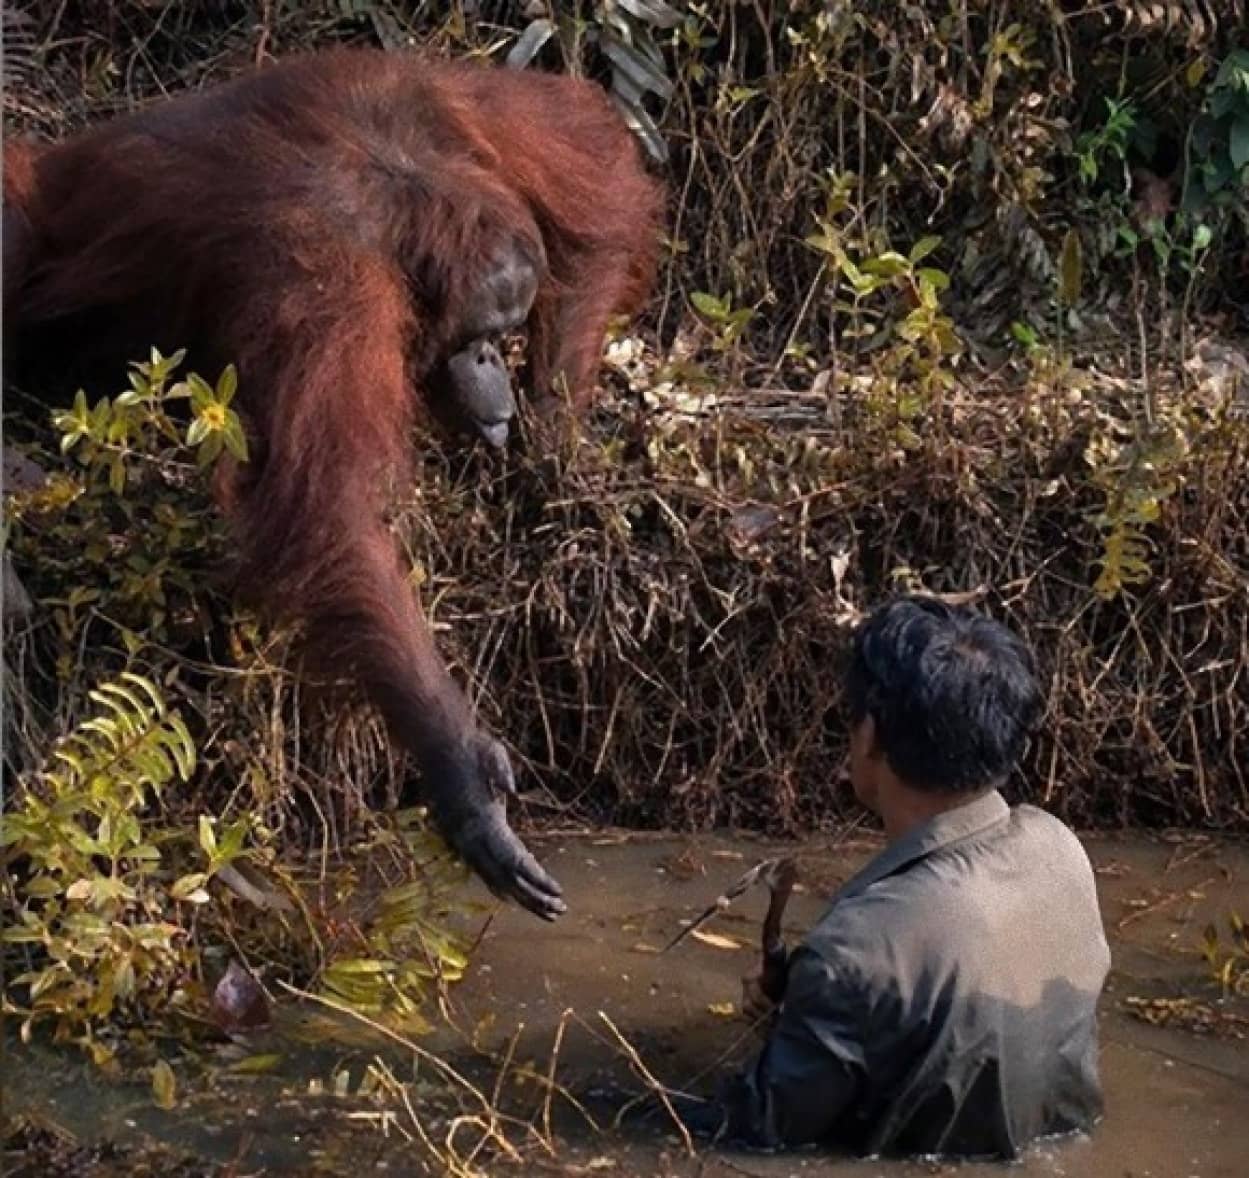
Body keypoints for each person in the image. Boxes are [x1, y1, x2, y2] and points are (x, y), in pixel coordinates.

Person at [686, 594, 1111, 1160]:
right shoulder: (1059, 847)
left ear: (869, 736)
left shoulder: (858, 949)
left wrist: (786, 1027)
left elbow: (755, 1134)